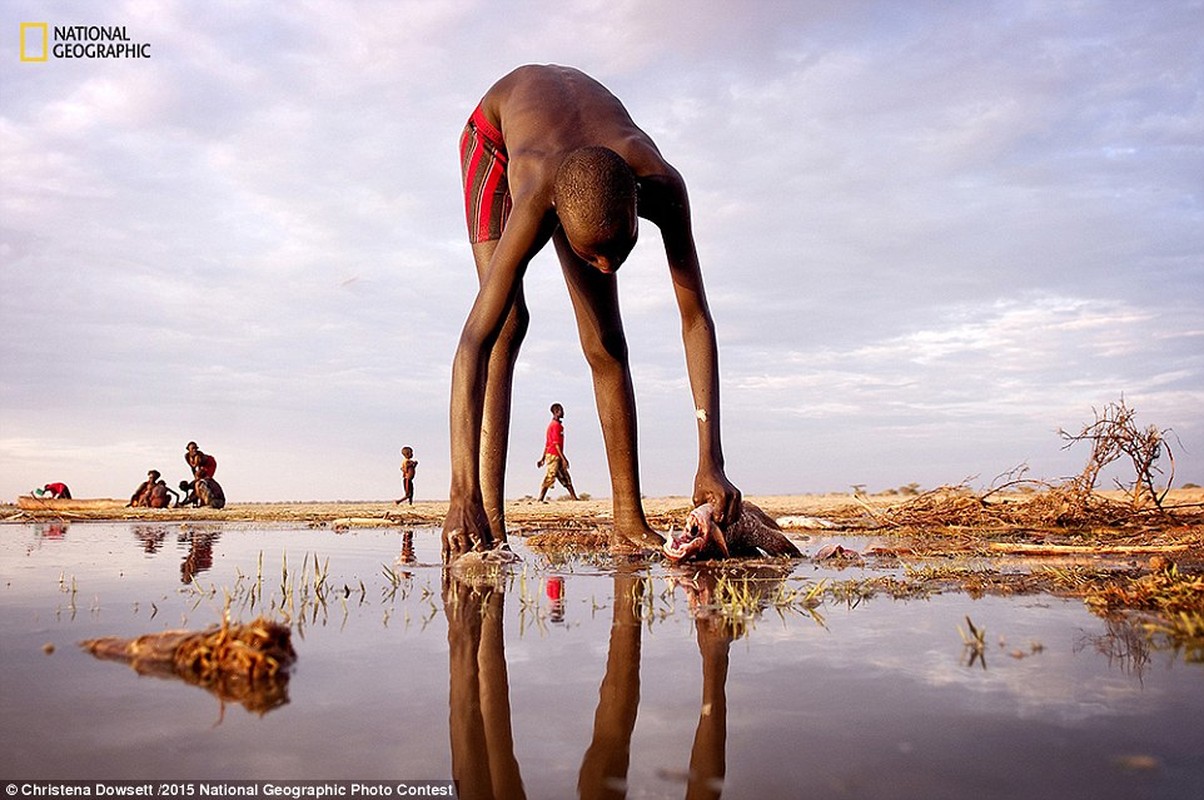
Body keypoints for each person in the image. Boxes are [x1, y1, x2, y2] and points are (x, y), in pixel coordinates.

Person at [443, 64, 741, 559]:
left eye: (620, 250)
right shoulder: (538, 191)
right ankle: (486, 521)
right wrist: (460, 492)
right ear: (555, 215)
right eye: (591, 256)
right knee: (506, 325)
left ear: (635, 204)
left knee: (607, 343)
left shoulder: (662, 184)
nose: (606, 268)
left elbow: (695, 319)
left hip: (584, 160)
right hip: (494, 142)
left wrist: (711, 458)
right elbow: (472, 341)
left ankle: (629, 519)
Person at [537, 403, 578, 501]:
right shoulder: (555, 426)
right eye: (561, 411)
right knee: (551, 475)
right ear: (556, 412)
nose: (563, 413)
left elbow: (547, 443)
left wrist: (542, 458)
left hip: (553, 454)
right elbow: (555, 444)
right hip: (554, 455)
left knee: (564, 475)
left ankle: (574, 497)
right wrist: (563, 458)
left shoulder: (556, 425)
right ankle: (540, 498)